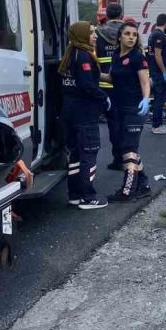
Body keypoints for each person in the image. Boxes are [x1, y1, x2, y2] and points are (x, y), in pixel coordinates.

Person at [58, 21, 110, 210]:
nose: (95, 36)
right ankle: (88, 197)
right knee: (89, 152)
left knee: (75, 155)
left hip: (69, 111)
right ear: (81, 35)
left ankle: (74, 194)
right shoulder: (85, 56)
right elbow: (87, 85)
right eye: (91, 33)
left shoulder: (70, 54)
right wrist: (104, 98)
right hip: (84, 113)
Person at [103, 20, 153, 201]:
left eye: (134, 35)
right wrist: (93, 73)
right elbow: (111, 77)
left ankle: (127, 191)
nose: (131, 37)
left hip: (134, 108)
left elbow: (145, 82)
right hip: (118, 107)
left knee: (129, 148)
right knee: (123, 145)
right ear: (120, 36)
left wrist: (146, 99)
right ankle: (144, 184)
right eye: (127, 34)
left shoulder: (137, 57)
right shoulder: (116, 55)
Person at [96, 2, 126, 169]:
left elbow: (93, 59)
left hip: (105, 86)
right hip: (126, 85)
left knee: (113, 123)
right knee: (127, 122)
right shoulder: (129, 32)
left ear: (106, 15)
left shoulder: (97, 33)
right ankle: (129, 158)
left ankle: (118, 158)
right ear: (121, 15)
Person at [147, 13, 166, 135]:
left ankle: (158, 124)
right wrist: (164, 72)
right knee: (159, 99)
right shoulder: (159, 36)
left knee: (159, 99)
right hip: (158, 73)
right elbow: (157, 55)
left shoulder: (153, 34)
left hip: (154, 72)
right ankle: (156, 126)